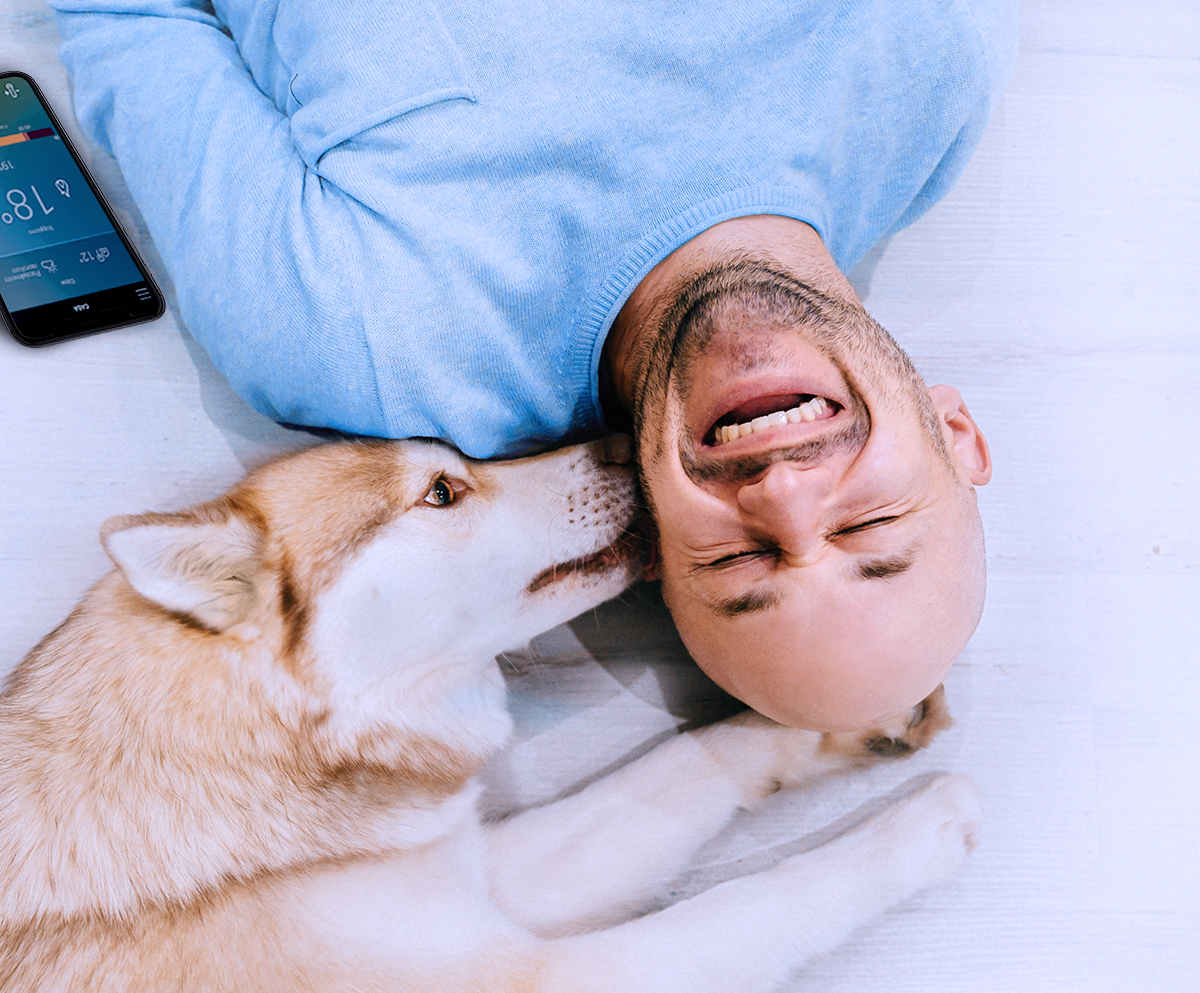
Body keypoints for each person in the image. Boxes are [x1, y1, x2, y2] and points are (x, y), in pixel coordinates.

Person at [47, 0, 1017, 730]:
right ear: (955, 431)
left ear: (647, 539)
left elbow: (127, 11)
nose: (789, 498)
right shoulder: (932, 60)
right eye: (873, 525)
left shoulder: (366, 339)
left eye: (738, 559)